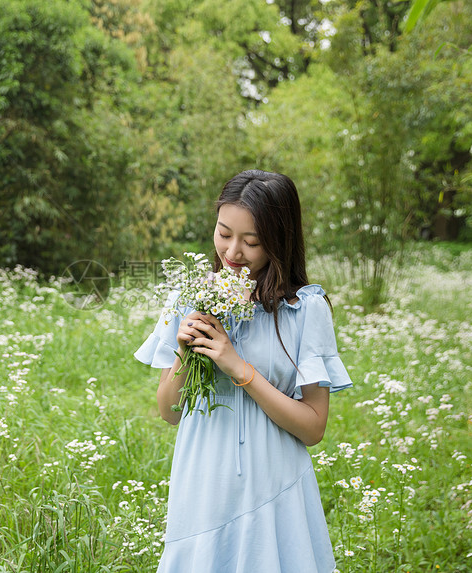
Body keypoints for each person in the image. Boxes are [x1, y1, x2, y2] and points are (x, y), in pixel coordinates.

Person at [134, 169, 353, 573]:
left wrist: (238, 367)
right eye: (224, 233)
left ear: (279, 240)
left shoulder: (305, 310)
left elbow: (313, 427)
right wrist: (186, 351)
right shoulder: (190, 296)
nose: (233, 251)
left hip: (275, 484)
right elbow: (169, 412)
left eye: (252, 241)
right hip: (204, 482)